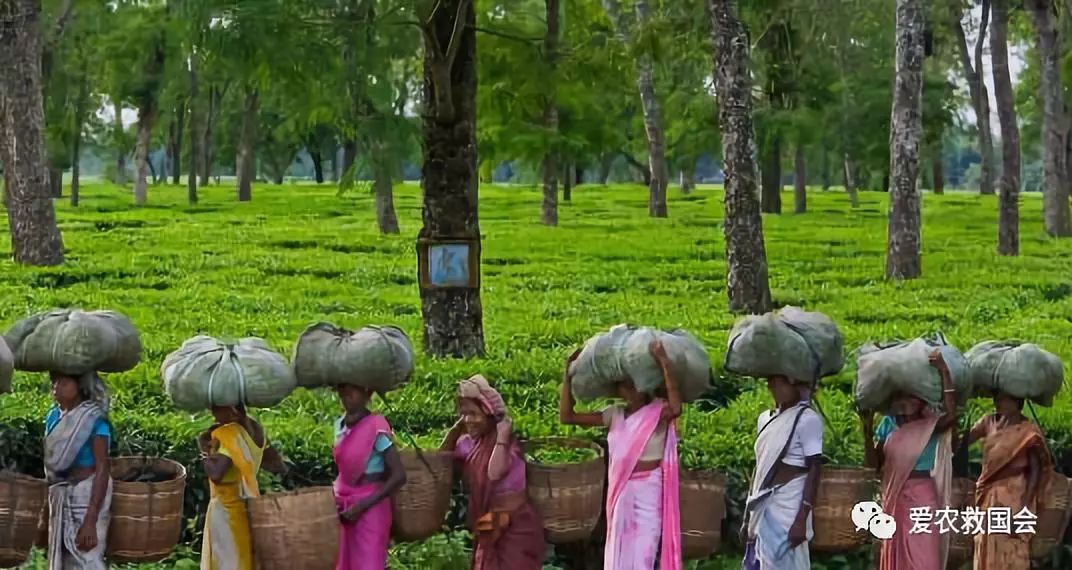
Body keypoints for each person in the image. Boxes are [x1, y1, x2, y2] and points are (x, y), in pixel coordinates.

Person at [559, 341, 683, 570]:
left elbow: (677, 408)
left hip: (649, 492)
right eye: (623, 387)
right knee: (619, 553)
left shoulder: (658, 411)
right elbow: (567, 417)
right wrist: (567, 377)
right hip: (621, 493)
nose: (629, 391)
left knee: (644, 553)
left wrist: (664, 363)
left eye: (633, 385)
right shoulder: (614, 414)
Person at [862, 351, 958, 570]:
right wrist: (867, 431)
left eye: (909, 397)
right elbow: (873, 465)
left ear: (920, 400)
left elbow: (951, 416)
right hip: (895, 498)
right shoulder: (888, 425)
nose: (903, 403)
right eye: (899, 398)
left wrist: (944, 372)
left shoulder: (931, 424)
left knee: (925, 560)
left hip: (922, 497)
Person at [441, 374, 545, 570]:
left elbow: (494, 472)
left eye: (473, 413)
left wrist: (502, 436)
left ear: (489, 414)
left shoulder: (507, 446)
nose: (468, 420)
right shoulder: (470, 444)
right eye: (463, 414)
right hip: (492, 520)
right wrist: (455, 430)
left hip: (516, 523)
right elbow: (440, 459)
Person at [740, 375, 823, 570]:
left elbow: (814, 468)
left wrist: (802, 519)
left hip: (789, 506)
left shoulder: (808, 419)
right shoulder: (766, 419)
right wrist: (747, 516)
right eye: (773, 382)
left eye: (782, 383)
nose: (775, 388)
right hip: (762, 505)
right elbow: (760, 466)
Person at [965, 393, 1051, 570]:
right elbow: (961, 442)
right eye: (997, 398)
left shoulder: (1028, 431)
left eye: (1003, 399)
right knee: (985, 541)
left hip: (1015, 494)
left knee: (1010, 545)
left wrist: (1025, 505)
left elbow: (1035, 470)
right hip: (989, 495)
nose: (998, 403)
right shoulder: (988, 422)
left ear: (1016, 401)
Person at [198, 404, 288, 570]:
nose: (213, 414)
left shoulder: (230, 433)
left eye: (216, 409)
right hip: (249, 509)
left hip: (226, 512)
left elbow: (216, 474)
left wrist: (204, 450)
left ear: (233, 410)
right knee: (244, 560)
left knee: (227, 562)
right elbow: (278, 466)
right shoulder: (257, 430)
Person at [332, 384, 407, 570]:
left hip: (371, 508)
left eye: (352, 391)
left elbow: (399, 475)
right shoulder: (339, 425)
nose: (346, 396)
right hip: (344, 505)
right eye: (343, 391)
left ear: (366, 393)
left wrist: (362, 506)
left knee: (369, 564)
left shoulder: (376, 427)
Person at [44, 371, 113, 570]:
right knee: (63, 560)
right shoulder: (53, 416)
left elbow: (102, 468)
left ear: (80, 387)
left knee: (87, 558)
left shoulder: (93, 419)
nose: (56, 388)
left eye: (64, 383)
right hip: (60, 493)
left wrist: (90, 520)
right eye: (55, 382)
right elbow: (50, 464)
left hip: (87, 492)